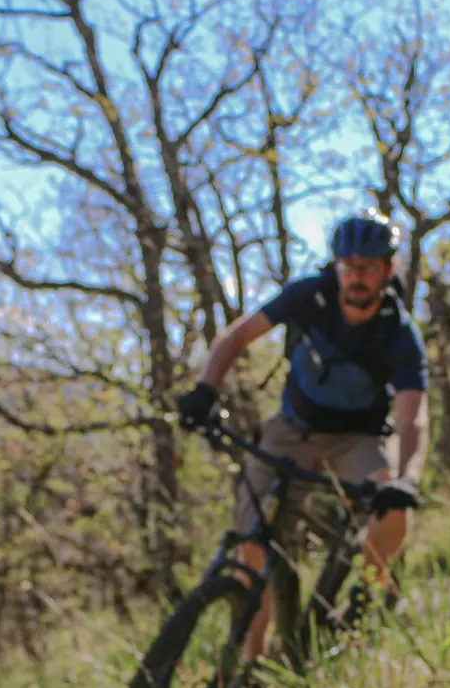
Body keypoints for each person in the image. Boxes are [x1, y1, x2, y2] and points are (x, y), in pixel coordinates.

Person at [174, 210, 428, 664]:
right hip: (291, 430)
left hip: (358, 437)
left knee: (393, 509)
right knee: (251, 539)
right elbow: (236, 337)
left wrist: (406, 476)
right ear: (335, 265)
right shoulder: (310, 297)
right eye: (348, 266)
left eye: (367, 267)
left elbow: (413, 416)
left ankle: (368, 593)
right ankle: (252, 664)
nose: (356, 277)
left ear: (388, 270)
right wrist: (204, 390)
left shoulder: (399, 333)